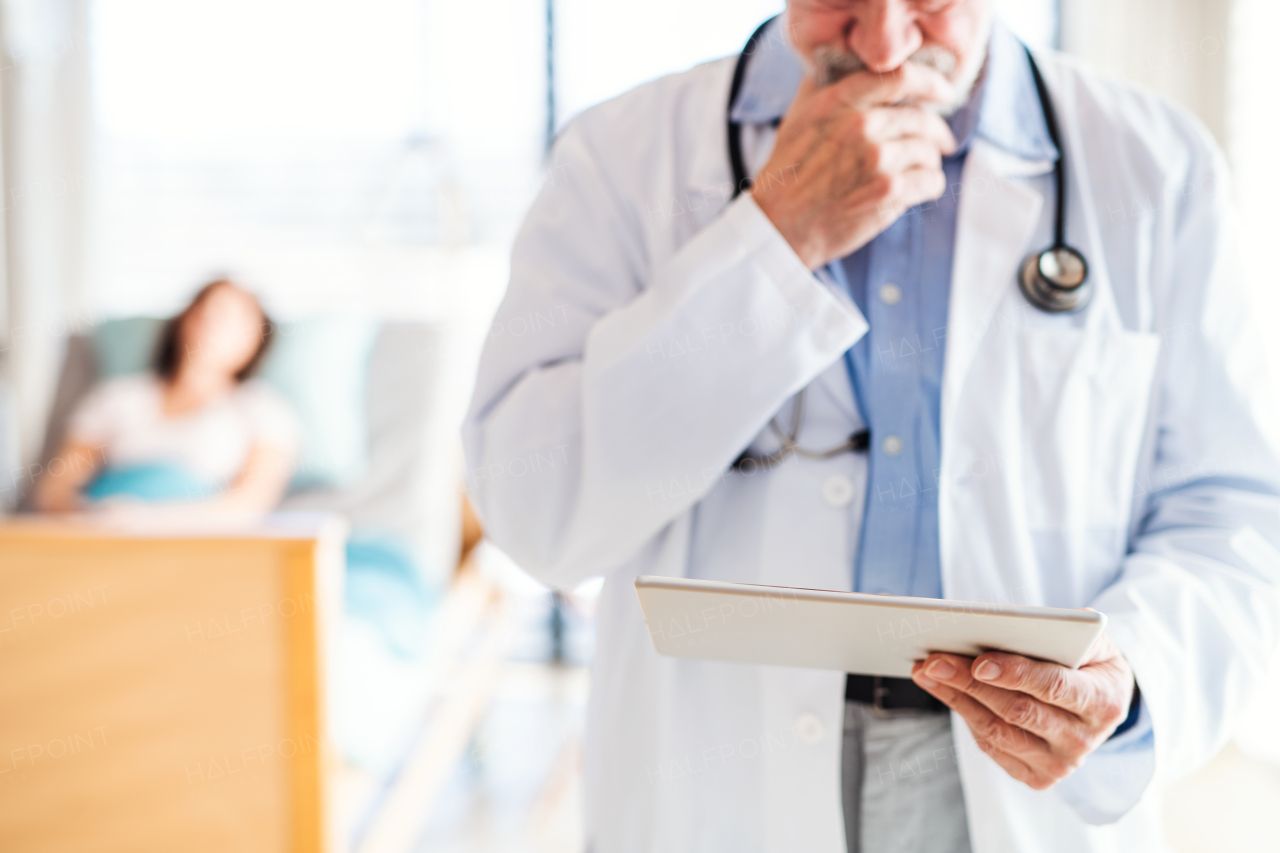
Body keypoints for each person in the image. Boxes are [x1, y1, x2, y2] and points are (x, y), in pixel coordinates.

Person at [462, 2, 1280, 851]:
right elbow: (537, 512)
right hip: (720, 771)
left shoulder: (1153, 164)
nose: (885, 43)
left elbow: (1231, 511)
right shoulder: (622, 158)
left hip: (1018, 792)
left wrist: (1136, 674)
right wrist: (773, 237)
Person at [34, 279, 299, 524]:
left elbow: (250, 503)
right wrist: (99, 518)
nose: (212, 324)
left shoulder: (263, 410)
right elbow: (54, 490)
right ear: (183, 322)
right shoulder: (118, 397)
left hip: (197, 543)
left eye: (232, 319)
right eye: (205, 312)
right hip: (104, 534)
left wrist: (153, 520)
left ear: (255, 341)